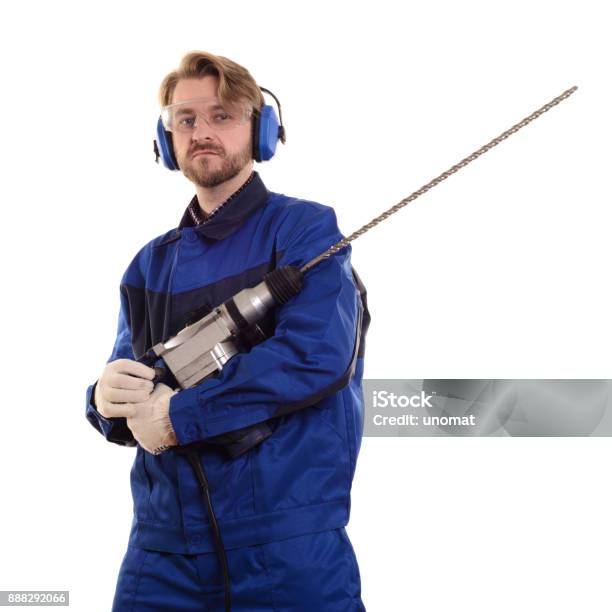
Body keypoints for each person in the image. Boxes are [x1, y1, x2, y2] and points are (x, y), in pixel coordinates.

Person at [85, 50, 371, 611]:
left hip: (285, 547)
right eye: (185, 120)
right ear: (167, 140)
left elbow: (315, 355)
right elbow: (137, 387)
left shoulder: (304, 230)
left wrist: (179, 417)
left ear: (261, 129)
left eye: (222, 116)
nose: (202, 132)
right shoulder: (149, 265)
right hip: (161, 551)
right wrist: (102, 401)